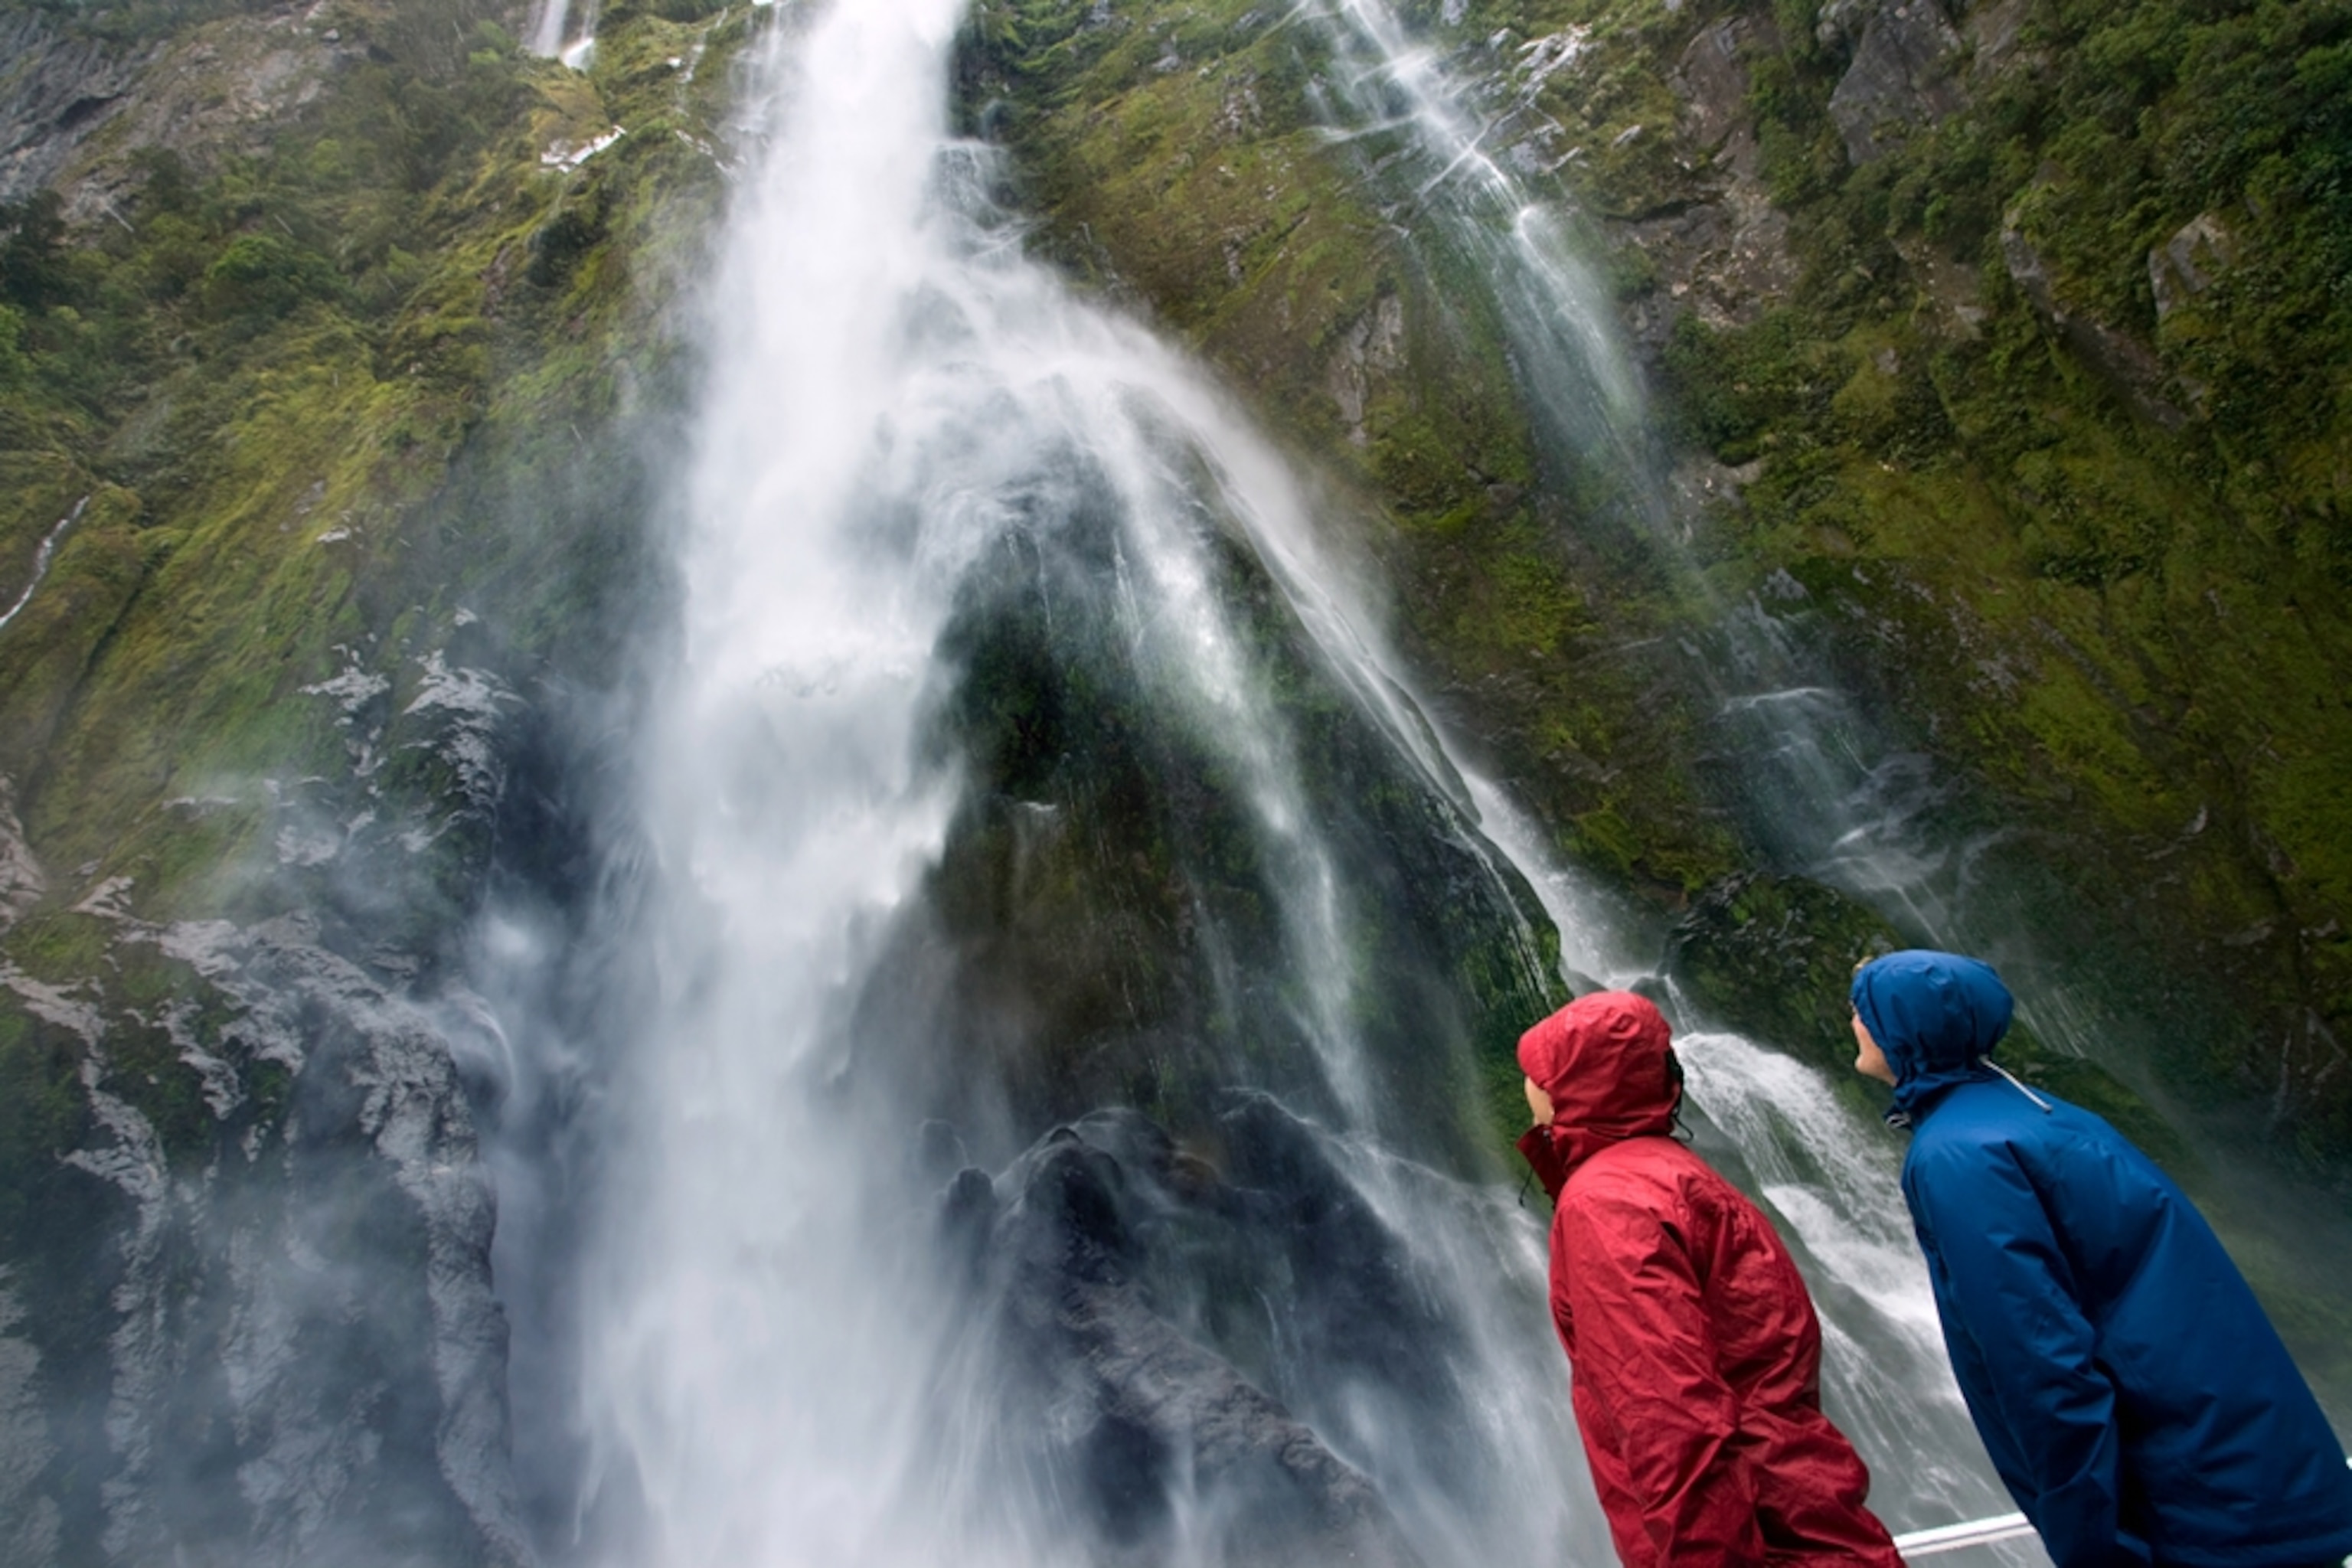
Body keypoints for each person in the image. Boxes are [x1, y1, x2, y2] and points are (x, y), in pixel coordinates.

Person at [1849, 949, 2352, 1568]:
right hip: (2253, 1477)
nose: (1853, 1019)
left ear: (1905, 1026)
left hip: (2185, 1512)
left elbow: (2040, 1362)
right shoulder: (2040, 1115)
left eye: (1865, 1008)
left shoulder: (1958, 1156)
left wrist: (2096, 1546)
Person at [1516, 990, 1903, 1568]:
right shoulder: (1678, 1177)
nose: (1526, 1086)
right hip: (1814, 1523)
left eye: (1534, 1072)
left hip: (1759, 1544)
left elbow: (1671, 1419)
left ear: (1569, 1084)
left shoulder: (1606, 1204)